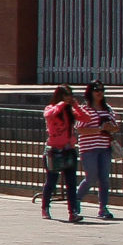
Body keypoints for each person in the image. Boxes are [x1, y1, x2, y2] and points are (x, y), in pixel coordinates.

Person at [42, 84, 82, 223]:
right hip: (54, 150)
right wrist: (61, 104)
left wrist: (76, 106)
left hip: (68, 149)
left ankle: (73, 212)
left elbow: (85, 118)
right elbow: (48, 114)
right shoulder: (52, 108)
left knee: (71, 183)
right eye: (66, 95)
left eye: (70, 95)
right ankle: (45, 207)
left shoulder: (70, 111)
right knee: (51, 181)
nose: (69, 98)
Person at [79, 81, 118, 221]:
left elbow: (116, 127)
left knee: (104, 179)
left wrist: (110, 127)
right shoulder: (85, 109)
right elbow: (80, 129)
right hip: (89, 148)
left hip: (105, 147)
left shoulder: (107, 109)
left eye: (102, 89)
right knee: (91, 177)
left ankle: (103, 208)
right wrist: (98, 129)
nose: (99, 92)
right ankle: (76, 200)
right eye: (96, 90)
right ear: (90, 92)